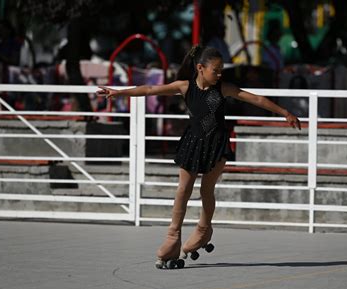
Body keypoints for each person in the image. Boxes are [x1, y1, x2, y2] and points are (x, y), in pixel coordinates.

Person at [96, 45, 301, 269]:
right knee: (183, 189)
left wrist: (285, 113)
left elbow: (257, 100)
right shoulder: (184, 87)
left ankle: (204, 229)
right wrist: (118, 92)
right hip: (193, 143)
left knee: (206, 190)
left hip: (217, 144)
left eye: (222, 69)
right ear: (200, 68)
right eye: (216, 70)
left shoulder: (224, 88)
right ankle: (173, 237)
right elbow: (149, 89)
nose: (220, 74)